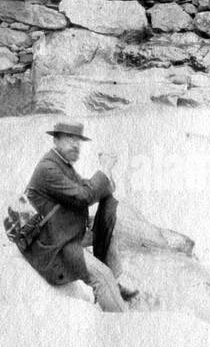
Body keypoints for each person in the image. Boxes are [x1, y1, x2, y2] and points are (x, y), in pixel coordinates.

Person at [21, 120, 133, 313]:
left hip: (62, 233)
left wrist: (106, 178)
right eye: (69, 138)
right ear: (55, 140)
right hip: (53, 247)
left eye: (78, 140)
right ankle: (121, 325)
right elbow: (83, 196)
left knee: (109, 221)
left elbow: (89, 188)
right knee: (101, 276)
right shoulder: (48, 169)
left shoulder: (62, 165)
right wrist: (104, 169)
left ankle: (113, 289)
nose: (75, 144)